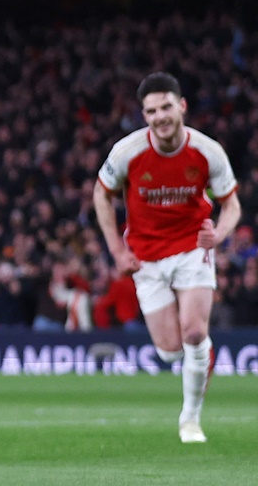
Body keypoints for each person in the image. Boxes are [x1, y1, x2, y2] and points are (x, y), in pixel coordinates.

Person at [93, 72, 241, 443]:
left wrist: (217, 235)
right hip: (145, 257)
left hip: (192, 248)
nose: (159, 116)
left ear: (182, 106)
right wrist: (116, 250)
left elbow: (232, 205)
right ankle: (200, 355)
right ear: (144, 114)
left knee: (194, 332)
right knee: (170, 352)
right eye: (151, 110)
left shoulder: (208, 152)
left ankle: (190, 420)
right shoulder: (128, 151)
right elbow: (101, 194)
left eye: (166, 107)